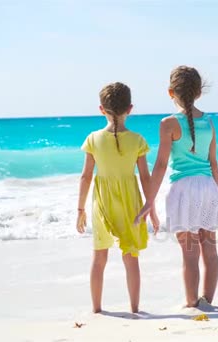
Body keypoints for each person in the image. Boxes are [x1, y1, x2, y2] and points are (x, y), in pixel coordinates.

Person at [135, 66, 218, 308]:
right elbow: (213, 163)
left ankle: (191, 302)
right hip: (208, 188)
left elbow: (160, 164)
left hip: (183, 191)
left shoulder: (168, 123)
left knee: (189, 254)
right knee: (210, 250)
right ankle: (207, 301)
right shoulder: (209, 122)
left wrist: (149, 200)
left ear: (170, 92)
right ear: (199, 92)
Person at [76, 82, 159, 313]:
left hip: (101, 203)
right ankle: (134, 308)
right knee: (131, 257)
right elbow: (145, 178)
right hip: (130, 203)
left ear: (101, 109)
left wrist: (80, 209)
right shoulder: (138, 140)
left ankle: (96, 309)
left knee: (99, 257)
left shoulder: (93, 139)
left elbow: (85, 177)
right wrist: (151, 208)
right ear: (130, 109)